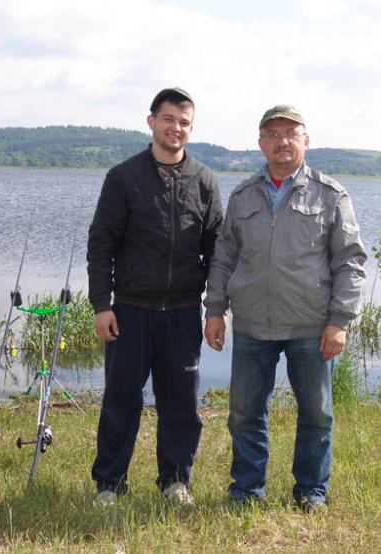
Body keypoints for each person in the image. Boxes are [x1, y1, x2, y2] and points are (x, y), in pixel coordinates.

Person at [203, 105, 366, 512]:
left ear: (306, 141)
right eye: (273, 134)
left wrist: (339, 321)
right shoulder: (242, 196)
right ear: (261, 144)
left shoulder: (331, 195)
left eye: (291, 133)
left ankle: (311, 492)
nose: (282, 141)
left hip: (311, 327)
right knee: (244, 414)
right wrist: (215, 310)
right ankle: (245, 491)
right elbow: (223, 258)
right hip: (253, 325)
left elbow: (350, 261)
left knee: (316, 415)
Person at [87, 87, 223, 507]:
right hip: (130, 311)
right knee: (121, 402)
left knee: (182, 405)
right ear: (151, 122)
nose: (175, 128)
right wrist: (101, 305)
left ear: (190, 128)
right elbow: (100, 244)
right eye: (168, 119)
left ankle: (174, 481)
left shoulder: (204, 181)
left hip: (183, 313)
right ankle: (110, 484)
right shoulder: (123, 178)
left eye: (184, 123)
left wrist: (215, 308)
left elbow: (218, 249)